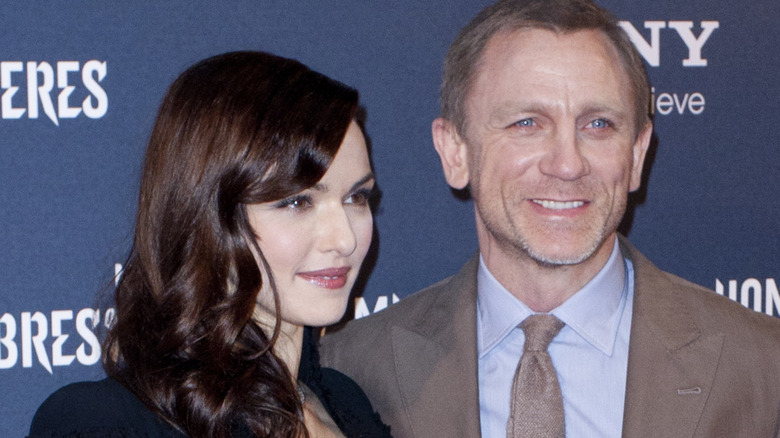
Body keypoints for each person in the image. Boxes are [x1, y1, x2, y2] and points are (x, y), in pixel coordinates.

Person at [320, 1, 780, 437]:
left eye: (597, 124)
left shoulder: (763, 367)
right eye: (527, 123)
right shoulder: (350, 369)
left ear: (638, 155)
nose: (567, 163)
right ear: (455, 152)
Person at [29, 51, 391, 438]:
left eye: (356, 198)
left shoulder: (347, 402)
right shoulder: (104, 423)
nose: (345, 238)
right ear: (208, 215)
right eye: (297, 202)